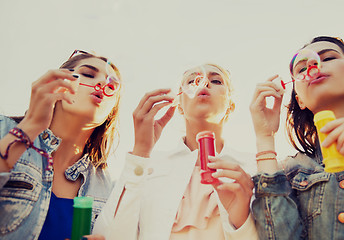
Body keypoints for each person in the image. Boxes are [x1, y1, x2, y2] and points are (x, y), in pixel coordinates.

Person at [93, 63, 258, 239]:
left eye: (216, 80)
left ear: (230, 105)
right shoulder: (149, 166)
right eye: (192, 81)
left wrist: (242, 222)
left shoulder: (252, 169)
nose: (204, 83)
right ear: (179, 104)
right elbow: (109, 235)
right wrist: (140, 152)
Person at [250, 36, 344, 239]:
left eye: (328, 58)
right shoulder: (289, 173)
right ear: (299, 100)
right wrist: (264, 136)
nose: (312, 65)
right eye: (300, 69)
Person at [0, 50, 122, 240]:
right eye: (88, 74)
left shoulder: (108, 186)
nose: (101, 84)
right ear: (58, 82)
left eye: (112, 85)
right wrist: (30, 126)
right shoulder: (3, 130)